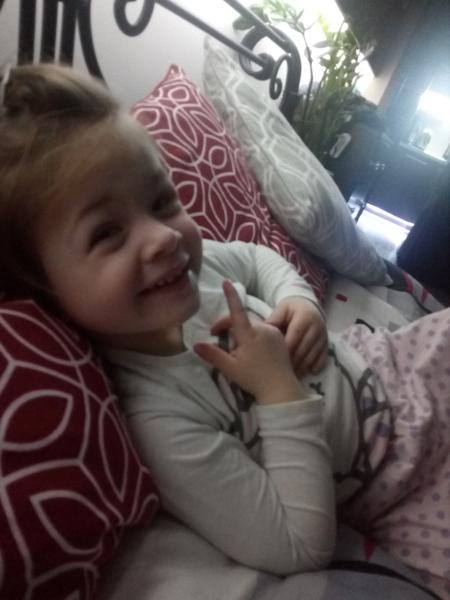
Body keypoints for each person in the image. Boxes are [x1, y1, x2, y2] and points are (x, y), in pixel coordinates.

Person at [0, 64, 448, 598]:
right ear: (45, 285)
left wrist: (298, 301)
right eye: (107, 233)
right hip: (396, 478)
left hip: (389, 361)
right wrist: (278, 389)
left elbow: (257, 259)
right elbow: (299, 546)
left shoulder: (195, 269)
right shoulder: (158, 416)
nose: (163, 237)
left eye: (161, 201)